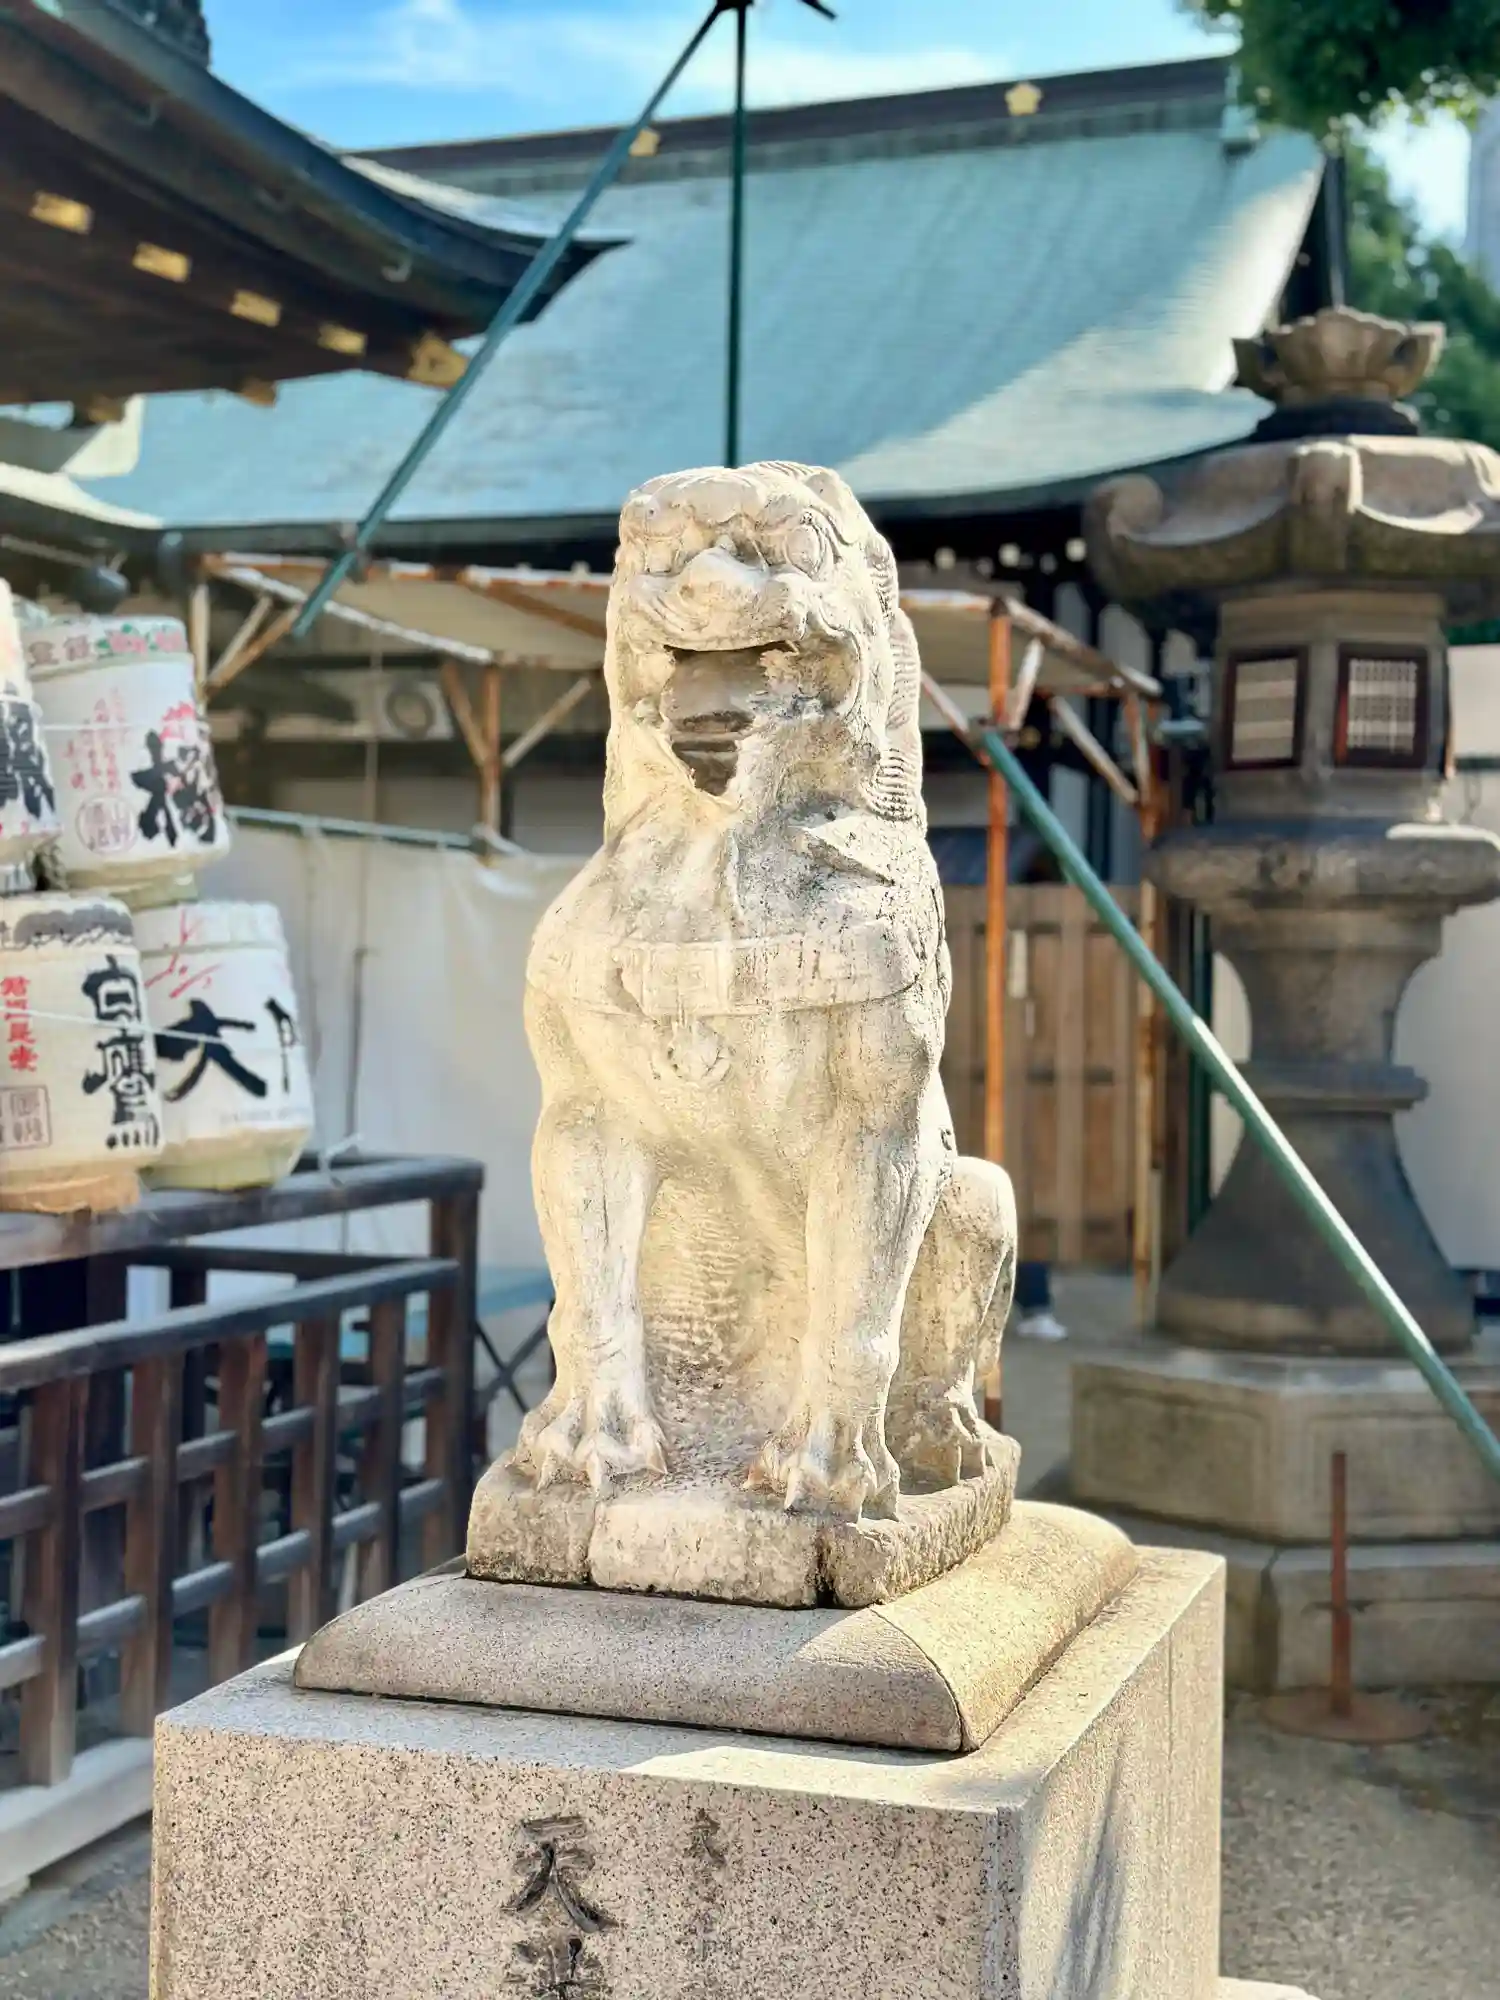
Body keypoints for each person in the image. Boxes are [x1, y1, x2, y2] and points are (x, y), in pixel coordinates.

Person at [1010, 823, 1068, 1342]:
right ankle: (1034, 1301)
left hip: (1030, 1077)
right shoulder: (1015, 935)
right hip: (1009, 1075)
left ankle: (1035, 1298)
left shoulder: (1049, 941)